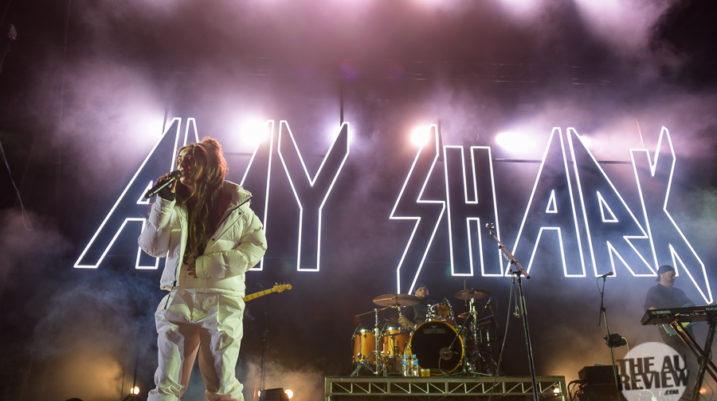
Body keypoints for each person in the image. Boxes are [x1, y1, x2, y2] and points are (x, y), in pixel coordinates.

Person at [139, 137, 267, 401]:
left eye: (190, 160)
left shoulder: (236, 206)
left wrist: (208, 266)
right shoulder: (174, 204)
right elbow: (153, 247)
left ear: (208, 166)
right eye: (180, 160)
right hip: (180, 295)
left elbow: (257, 247)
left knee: (222, 385)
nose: (182, 166)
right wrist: (163, 202)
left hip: (221, 300)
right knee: (166, 385)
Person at [644, 265, 698, 401]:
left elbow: (691, 307)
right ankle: (678, 395)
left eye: (674, 275)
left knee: (693, 362)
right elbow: (650, 308)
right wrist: (662, 316)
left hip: (686, 331)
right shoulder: (654, 290)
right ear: (661, 275)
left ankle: (688, 395)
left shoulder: (679, 292)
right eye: (671, 275)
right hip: (670, 332)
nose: (674, 278)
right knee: (679, 362)